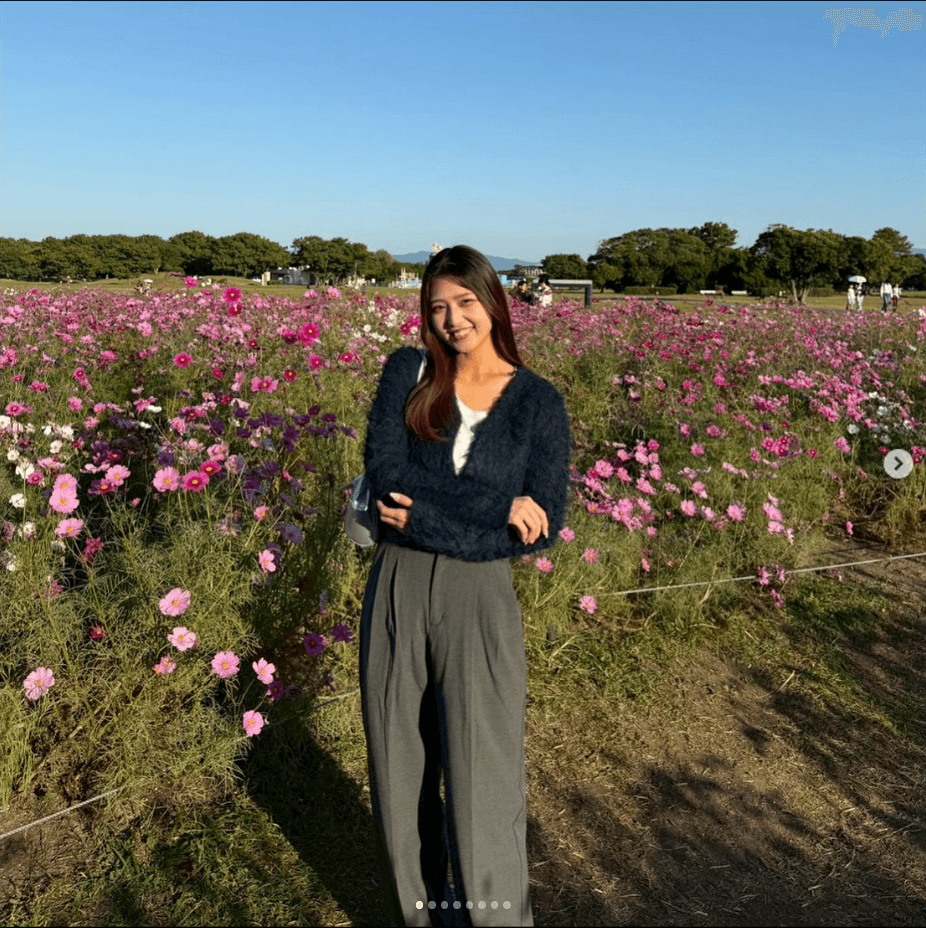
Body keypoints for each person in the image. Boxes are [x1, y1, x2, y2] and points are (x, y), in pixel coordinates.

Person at [360, 244, 571, 927]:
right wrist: (490, 505)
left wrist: (424, 516)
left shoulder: (538, 402)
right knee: (400, 769)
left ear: (495, 303)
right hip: (397, 584)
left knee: (486, 780)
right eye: (437, 307)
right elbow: (386, 471)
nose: (452, 319)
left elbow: (540, 525)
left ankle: (495, 919)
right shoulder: (408, 371)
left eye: (465, 303)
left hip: (480, 595)